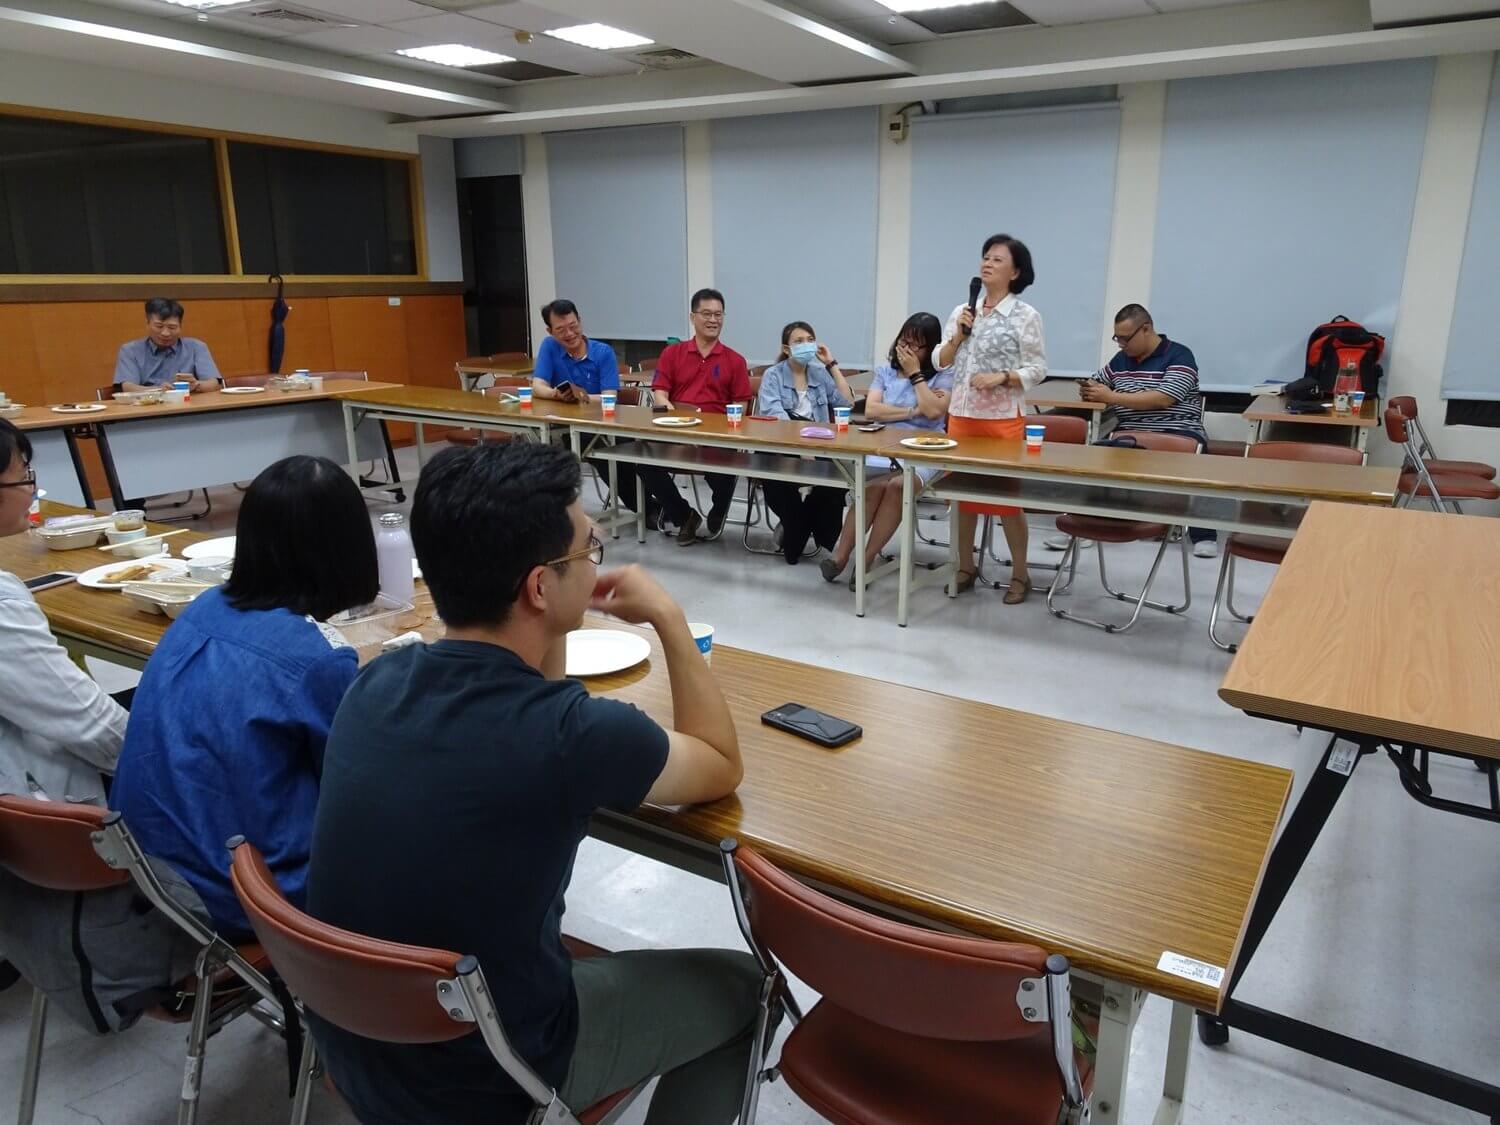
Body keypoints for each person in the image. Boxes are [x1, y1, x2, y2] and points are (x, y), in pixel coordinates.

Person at [304, 441, 758, 1125]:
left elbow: (531, 691)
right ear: (539, 586)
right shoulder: (574, 736)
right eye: (588, 548)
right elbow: (720, 763)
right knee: (747, 987)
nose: (596, 558)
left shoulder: (376, 682)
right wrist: (668, 615)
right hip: (490, 1075)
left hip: (359, 1047)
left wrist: (556, 617)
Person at [109, 455, 378, 939]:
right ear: (350, 546)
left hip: (151, 870)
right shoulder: (317, 659)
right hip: (246, 895)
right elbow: (357, 793)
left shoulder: (202, 606)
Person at [0, 417, 202, 1032]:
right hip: (46, 822)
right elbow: (89, 725)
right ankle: (204, 934)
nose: (32, 490)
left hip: (20, 829)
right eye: (24, 476)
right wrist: (172, 757)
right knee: (199, 732)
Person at [934, 234, 1046, 603]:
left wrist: (1003, 377)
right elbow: (940, 361)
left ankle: (1020, 574)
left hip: (1001, 419)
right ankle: (965, 567)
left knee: (1006, 501)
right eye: (985, 257)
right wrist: (958, 337)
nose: (987, 263)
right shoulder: (962, 311)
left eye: (997, 259)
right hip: (962, 416)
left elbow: (1038, 368)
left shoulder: (1025, 316)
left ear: (1015, 272)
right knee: (962, 498)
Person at [821, 313, 953, 585]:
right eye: (904, 341)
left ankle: (867, 558)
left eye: (915, 345)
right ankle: (840, 557)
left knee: (897, 486)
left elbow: (933, 411)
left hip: (925, 446)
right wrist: (912, 411)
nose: (906, 349)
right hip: (883, 442)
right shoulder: (885, 372)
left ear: (931, 349)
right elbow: (872, 410)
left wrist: (915, 375)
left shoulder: (943, 375)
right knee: (873, 485)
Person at [1077, 304, 1218, 557]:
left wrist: (1111, 396)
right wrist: (1090, 389)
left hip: (1178, 431)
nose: (1121, 344)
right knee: (1095, 456)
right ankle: (1086, 526)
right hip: (1130, 431)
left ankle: (1204, 535)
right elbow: (1099, 381)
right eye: (1117, 338)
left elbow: (1164, 398)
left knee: (1200, 463)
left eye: (1125, 338)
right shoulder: (1121, 359)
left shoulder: (1179, 355)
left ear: (1146, 329)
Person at [638, 288, 753, 544]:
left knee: (727, 464)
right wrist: (677, 424)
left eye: (718, 315)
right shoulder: (672, 354)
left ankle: (719, 509)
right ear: (693, 317)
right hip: (677, 430)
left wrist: (719, 432)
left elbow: (741, 404)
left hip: (716, 436)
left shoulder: (735, 360)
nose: (713, 320)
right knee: (644, 460)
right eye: (707, 314)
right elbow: (660, 394)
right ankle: (684, 516)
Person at [532, 298, 647, 520]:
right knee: (595, 450)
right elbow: (538, 386)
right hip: (567, 428)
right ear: (550, 331)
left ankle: (650, 507)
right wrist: (556, 394)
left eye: (573, 326)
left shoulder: (602, 352)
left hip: (605, 424)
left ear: (580, 321)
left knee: (629, 449)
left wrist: (580, 398)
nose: (569, 334)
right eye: (561, 330)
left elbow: (609, 398)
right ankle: (648, 509)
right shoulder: (549, 346)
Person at [755, 320, 854, 564]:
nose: (806, 345)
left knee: (840, 477)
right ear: (786, 349)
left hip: (819, 446)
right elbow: (776, 418)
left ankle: (800, 527)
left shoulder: (819, 373)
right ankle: (797, 525)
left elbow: (847, 403)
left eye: (810, 340)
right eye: (799, 341)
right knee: (776, 479)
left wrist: (831, 364)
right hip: (781, 446)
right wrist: (801, 448)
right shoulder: (773, 375)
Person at [114, 298, 221, 392]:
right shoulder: (130, 350)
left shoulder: (196, 347)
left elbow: (214, 383)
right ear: (147, 323)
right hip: (148, 404)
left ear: (180, 326)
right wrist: (159, 390)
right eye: (159, 326)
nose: (165, 333)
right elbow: (128, 387)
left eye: (172, 327)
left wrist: (196, 385)